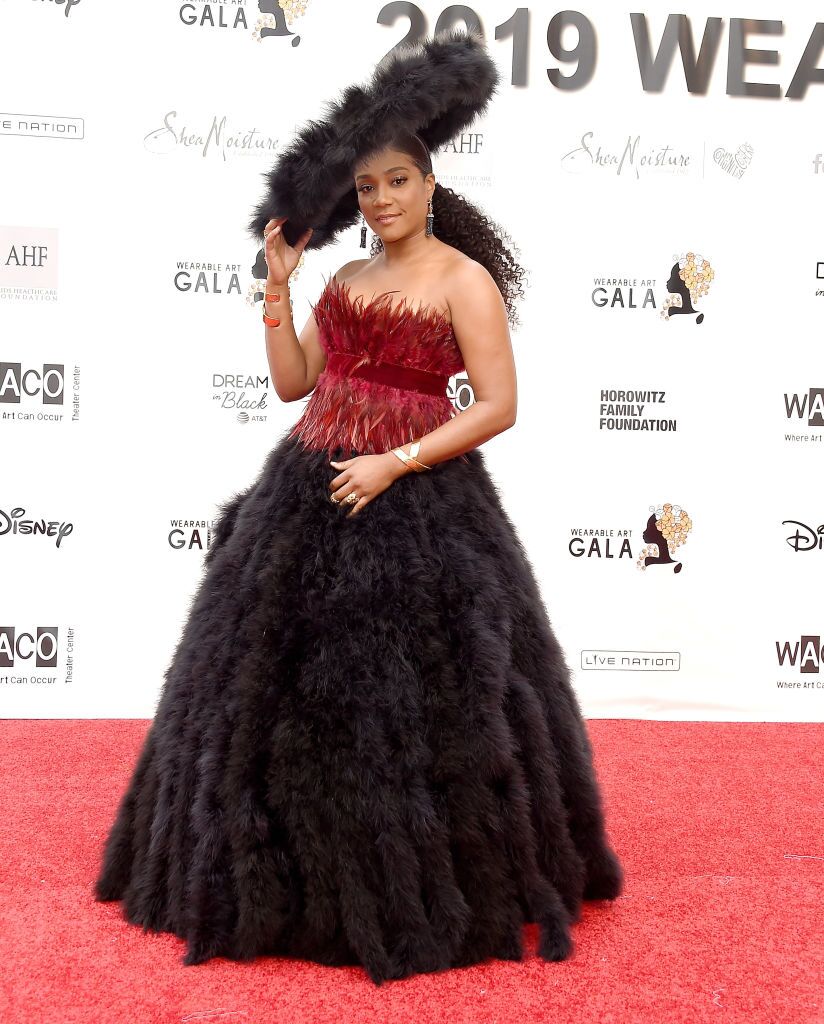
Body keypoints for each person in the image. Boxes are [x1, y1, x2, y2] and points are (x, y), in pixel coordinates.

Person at [94, 28, 623, 985]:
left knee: (415, 694)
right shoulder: (343, 278)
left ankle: (417, 866)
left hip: (419, 500)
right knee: (268, 687)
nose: (381, 201)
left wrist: (396, 462)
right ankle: (276, 869)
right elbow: (298, 382)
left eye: (397, 183)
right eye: (367, 188)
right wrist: (276, 291)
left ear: (429, 183)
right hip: (308, 484)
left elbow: (499, 407)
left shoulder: (465, 281)